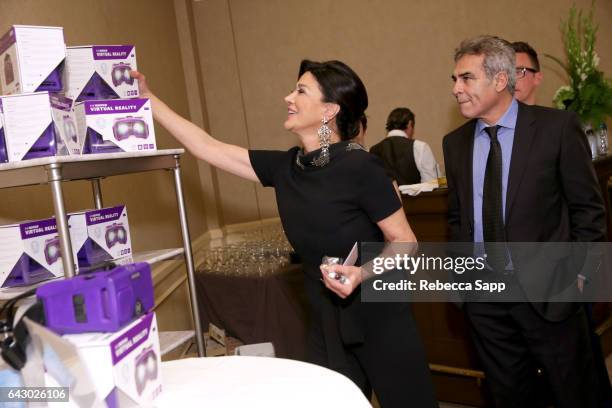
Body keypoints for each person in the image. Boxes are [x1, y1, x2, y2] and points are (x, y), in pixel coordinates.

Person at [132, 60, 436, 407]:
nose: (288, 97)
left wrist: (361, 273)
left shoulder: (360, 167)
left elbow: (405, 241)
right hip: (325, 315)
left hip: (379, 312)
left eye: (301, 91)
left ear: (329, 110)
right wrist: (148, 98)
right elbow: (207, 147)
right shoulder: (286, 167)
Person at [443, 35, 606, 408]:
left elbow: (589, 209)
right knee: (509, 395)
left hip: (551, 293)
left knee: (575, 392)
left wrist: (580, 276)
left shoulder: (557, 128)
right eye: (454, 79)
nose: (456, 89)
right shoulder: (455, 143)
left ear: (500, 80)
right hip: (484, 300)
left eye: (466, 78)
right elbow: (456, 216)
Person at [370, 108, 438, 184]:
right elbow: (431, 184)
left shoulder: (373, 150)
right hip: (417, 196)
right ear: (409, 124)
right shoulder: (419, 147)